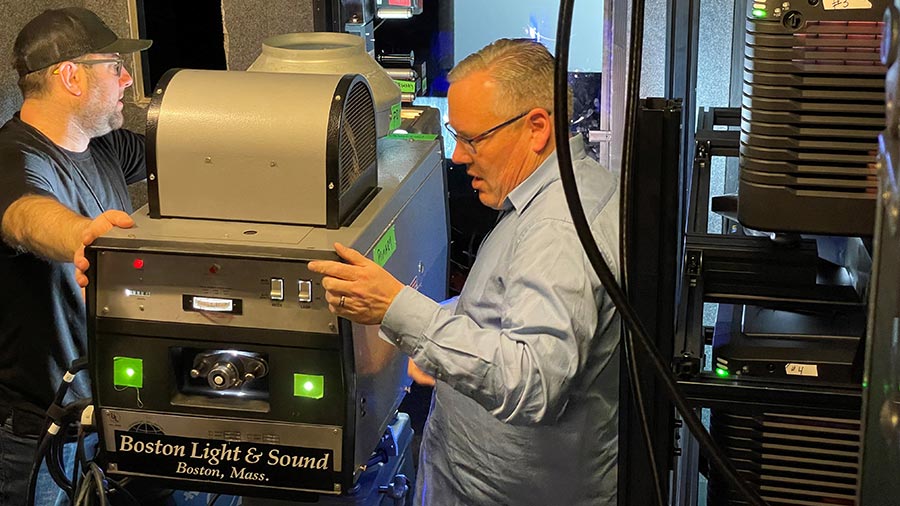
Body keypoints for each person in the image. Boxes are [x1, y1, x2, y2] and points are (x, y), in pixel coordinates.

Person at [308, 38, 621, 505]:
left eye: (472, 139)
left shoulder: (557, 229)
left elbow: (532, 382)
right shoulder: (578, 189)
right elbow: (512, 310)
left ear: (536, 128)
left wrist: (400, 310)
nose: (457, 157)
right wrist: (433, 335)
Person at [0, 7, 150, 504]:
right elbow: (25, 216)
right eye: (114, 67)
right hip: (36, 436)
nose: (127, 78)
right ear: (70, 76)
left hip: (100, 420)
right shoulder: (15, 158)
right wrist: (82, 235)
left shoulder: (104, 146)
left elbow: (188, 145)